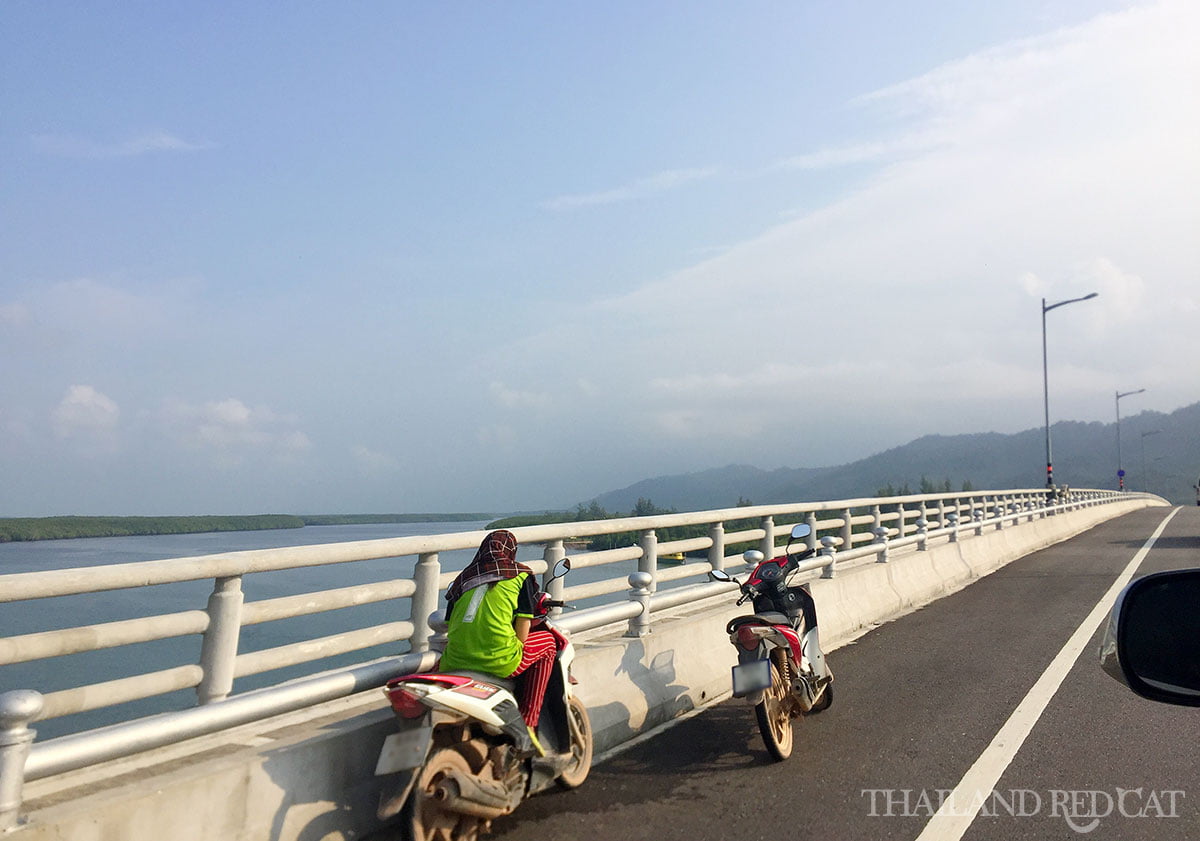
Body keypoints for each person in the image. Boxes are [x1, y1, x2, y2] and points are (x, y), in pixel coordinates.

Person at [439, 530, 558, 744]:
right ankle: (529, 721)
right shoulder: (521, 575)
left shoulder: (462, 579)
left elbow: (450, 625)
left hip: (453, 663)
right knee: (549, 644)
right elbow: (522, 631)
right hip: (500, 661)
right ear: (512, 552)